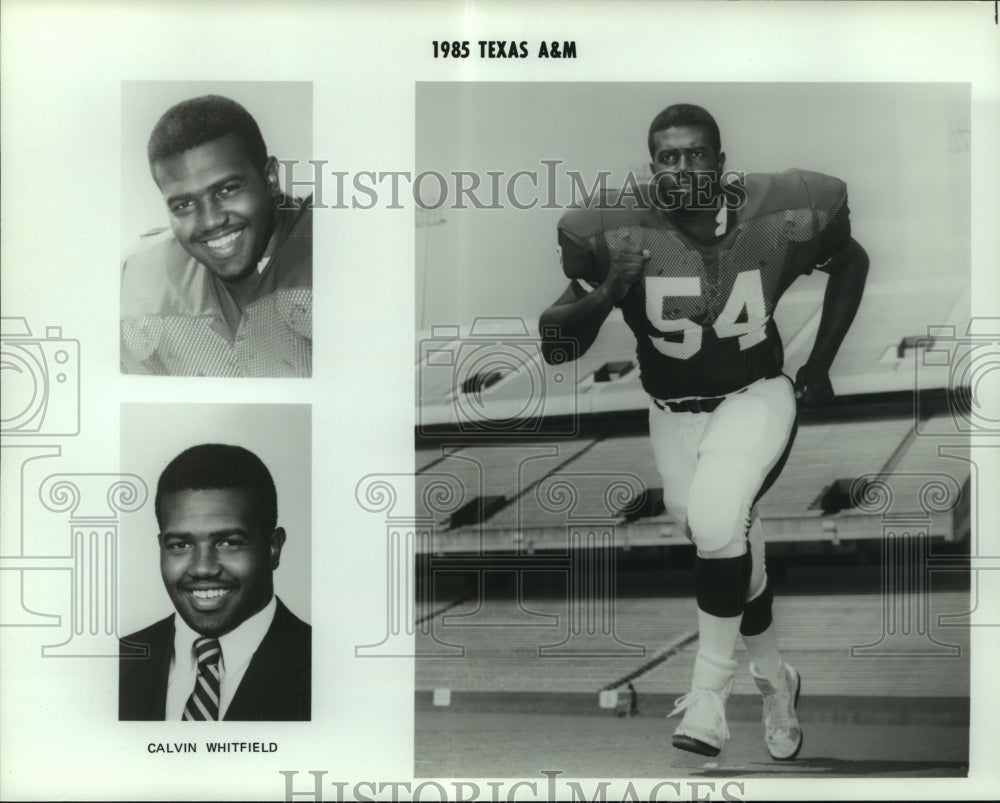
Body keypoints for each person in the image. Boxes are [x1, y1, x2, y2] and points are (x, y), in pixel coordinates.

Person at [540, 104, 868, 759]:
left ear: (720, 162)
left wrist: (821, 362)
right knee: (731, 551)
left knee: (718, 524)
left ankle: (708, 698)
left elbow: (851, 260)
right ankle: (776, 680)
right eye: (669, 156)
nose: (683, 166)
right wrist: (609, 290)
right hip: (671, 415)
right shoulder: (614, 232)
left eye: (696, 154)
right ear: (651, 166)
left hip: (755, 395)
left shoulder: (779, 212)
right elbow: (555, 345)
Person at [121, 94, 312, 377]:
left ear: (270, 178)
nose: (210, 220)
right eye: (184, 204)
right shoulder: (144, 280)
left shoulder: (340, 252)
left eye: (227, 190)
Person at [119, 443, 311, 721]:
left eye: (229, 543)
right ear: (161, 547)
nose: (203, 568)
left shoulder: (324, 666)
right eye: (180, 545)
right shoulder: (116, 663)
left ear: (273, 549)